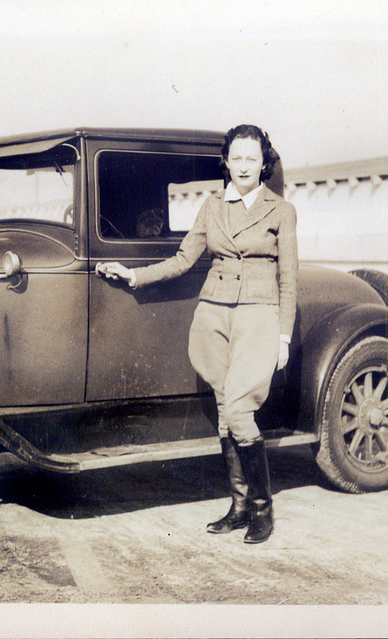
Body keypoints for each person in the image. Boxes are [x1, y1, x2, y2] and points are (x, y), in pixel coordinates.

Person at [97, 124, 298, 544]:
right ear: (226, 161)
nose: (244, 166)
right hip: (214, 314)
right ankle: (239, 506)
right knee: (226, 411)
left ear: (264, 163)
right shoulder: (211, 207)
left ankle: (263, 508)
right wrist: (133, 275)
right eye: (237, 157)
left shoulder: (281, 210)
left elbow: (289, 279)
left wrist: (283, 337)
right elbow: (183, 260)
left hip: (259, 315)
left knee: (242, 412)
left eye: (252, 158)